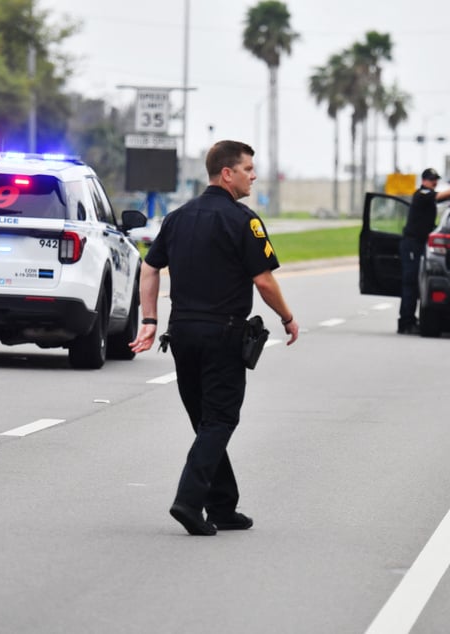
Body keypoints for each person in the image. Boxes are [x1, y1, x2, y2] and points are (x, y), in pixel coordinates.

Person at [129, 140, 299, 536]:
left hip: (182, 334)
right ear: (227, 173)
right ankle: (189, 502)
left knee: (206, 422)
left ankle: (223, 506)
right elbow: (263, 279)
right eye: (248, 169)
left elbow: (150, 269)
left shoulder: (177, 217)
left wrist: (150, 319)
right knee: (220, 419)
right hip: (222, 333)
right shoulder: (244, 221)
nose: (253, 176)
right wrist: (287, 317)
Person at [398, 168, 450, 334]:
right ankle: (406, 322)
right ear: (424, 180)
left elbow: (442, 198)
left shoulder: (428, 196)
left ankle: (410, 320)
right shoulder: (421, 194)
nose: (435, 182)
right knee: (410, 283)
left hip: (420, 244)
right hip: (412, 244)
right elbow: (443, 196)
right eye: (432, 179)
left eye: (436, 179)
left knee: (416, 284)